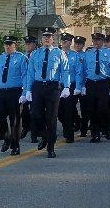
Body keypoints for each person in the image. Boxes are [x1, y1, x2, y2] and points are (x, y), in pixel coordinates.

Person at [25, 27, 70, 158]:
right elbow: (30, 73)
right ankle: (44, 136)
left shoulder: (59, 53)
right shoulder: (35, 53)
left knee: (51, 118)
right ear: (41, 39)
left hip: (53, 87)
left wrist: (66, 87)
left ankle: (50, 147)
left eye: (49, 37)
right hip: (38, 87)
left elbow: (65, 70)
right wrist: (28, 89)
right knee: (36, 115)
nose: (46, 39)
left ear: (53, 39)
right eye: (44, 37)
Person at [0, 35, 28, 155]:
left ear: (15, 45)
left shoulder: (21, 58)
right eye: (6, 44)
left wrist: (25, 93)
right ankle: (6, 137)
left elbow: (26, 76)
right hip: (0, 92)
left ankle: (15, 145)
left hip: (15, 92)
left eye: (10, 44)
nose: (7, 46)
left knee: (15, 120)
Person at [76, 33, 110, 143]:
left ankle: (106, 127)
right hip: (91, 83)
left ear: (103, 41)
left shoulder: (109, 53)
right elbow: (83, 71)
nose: (96, 42)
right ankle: (95, 133)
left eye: (98, 40)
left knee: (102, 107)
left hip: (103, 83)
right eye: (94, 40)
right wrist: (82, 85)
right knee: (91, 109)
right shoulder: (87, 54)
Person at [57, 32, 80, 143]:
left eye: (66, 41)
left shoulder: (75, 56)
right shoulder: (56, 54)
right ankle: (70, 124)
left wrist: (79, 87)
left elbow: (79, 72)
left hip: (71, 86)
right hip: (58, 86)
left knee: (68, 110)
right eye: (63, 41)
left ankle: (69, 133)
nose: (64, 43)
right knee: (59, 111)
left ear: (70, 43)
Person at [20, 36, 38, 143]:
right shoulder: (22, 56)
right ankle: (26, 127)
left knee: (36, 110)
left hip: (36, 86)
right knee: (24, 110)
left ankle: (36, 131)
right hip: (24, 86)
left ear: (35, 45)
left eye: (29, 43)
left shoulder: (38, 55)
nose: (27, 45)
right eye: (26, 43)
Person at [73, 35, 88, 135]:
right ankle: (77, 121)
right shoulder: (70, 55)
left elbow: (87, 72)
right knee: (69, 107)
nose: (77, 45)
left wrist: (84, 86)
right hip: (73, 85)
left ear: (83, 45)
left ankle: (84, 129)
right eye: (76, 43)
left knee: (84, 108)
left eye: (79, 44)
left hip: (84, 86)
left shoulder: (86, 56)